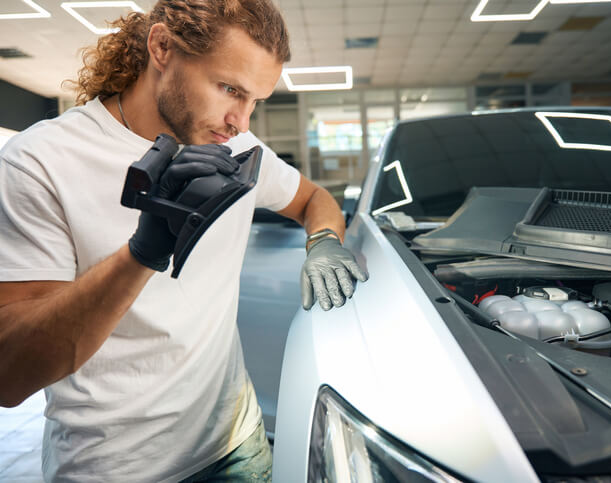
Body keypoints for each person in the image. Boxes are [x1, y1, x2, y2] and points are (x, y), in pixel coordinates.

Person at [0, 0, 367, 481]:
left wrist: (322, 242)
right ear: (162, 47)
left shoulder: (235, 147)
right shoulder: (41, 161)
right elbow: (10, 373)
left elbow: (314, 197)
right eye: (230, 88)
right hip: (114, 468)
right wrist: (142, 253)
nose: (242, 121)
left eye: (255, 100)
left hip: (237, 444)